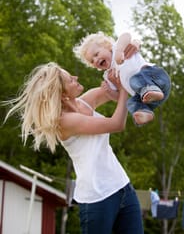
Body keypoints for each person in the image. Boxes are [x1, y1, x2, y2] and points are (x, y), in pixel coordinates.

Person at [4, 62, 144, 234]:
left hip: (123, 186)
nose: (76, 78)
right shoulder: (65, 121)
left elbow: (116, 89)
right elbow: (116, 124)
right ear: (63, 94)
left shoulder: (86, 101)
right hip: (97, 198)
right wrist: (122, 92)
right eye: (70, 79)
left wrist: (121, 67)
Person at [74, 31, 171, 126]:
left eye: (96, 54)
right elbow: (119, 97)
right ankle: (145, 113)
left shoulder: (118, 49)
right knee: (131, 102)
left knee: (135, 80)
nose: (95, 60)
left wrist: (119, 50)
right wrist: (109, 92)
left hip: (155, 76)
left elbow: (126, 35)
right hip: (150, 98)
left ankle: (151, 89)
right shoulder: (108, 75)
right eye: (92, 61)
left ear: (108, 46)